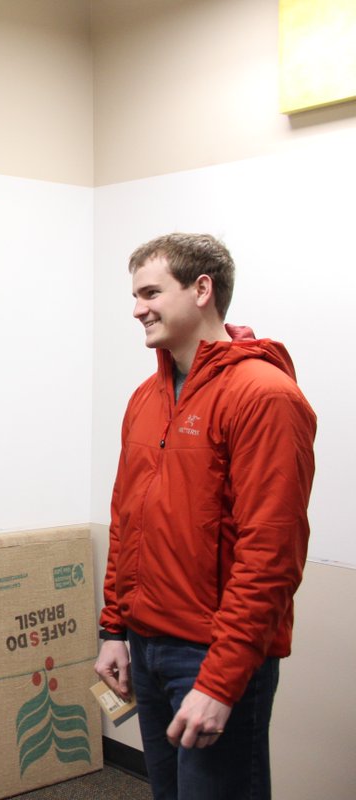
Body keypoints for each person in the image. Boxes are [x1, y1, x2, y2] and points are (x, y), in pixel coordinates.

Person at [94, 233, 315, 799]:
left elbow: (271, 554)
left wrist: (221, 680)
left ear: (201, 290)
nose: (137, 309)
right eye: (135, 295)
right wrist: (114, 629)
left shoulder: (263, 395)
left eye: (150, 292)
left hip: (213, 653)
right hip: (146, 643)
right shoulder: (146, 398)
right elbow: (127, 522)